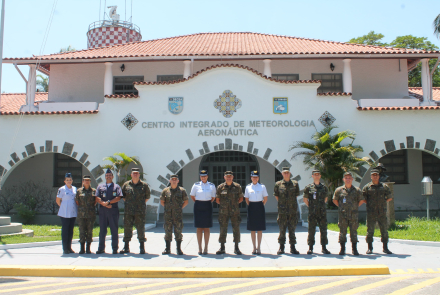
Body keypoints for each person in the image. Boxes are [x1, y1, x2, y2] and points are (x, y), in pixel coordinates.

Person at [333, 172, 365, 256]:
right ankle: (342, 249)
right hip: (343, 215)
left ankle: (354, 249)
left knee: (353, 232)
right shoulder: (339, 190)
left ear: (352, 179)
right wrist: (341, 207)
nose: (348, 179)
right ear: (343, 179)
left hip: (353, 215)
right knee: (342, 232)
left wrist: (355, 207)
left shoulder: (357, 190)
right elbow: (334, 200)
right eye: (346, 178)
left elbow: (361, 200)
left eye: (349, 178)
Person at [120, 168, 151, 254]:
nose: (135, 175)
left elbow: (147, 197)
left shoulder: (144, 185)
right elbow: (123, 196)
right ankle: (126, 247)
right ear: (131, 174)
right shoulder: (126, 185)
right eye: (134, 173)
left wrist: (140, 204)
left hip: (140, 211)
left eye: (137, 173)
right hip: (128, 211)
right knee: (127, 228)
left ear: (139, 175)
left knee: (140, 228)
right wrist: (130, 204)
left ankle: (142, 247)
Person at [362, 168, 393, 255]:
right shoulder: (367, 187)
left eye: (376, 175)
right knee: (370, 230)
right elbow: (363, 198)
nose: (375, 177)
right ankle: (370, 248)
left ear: (379, 176)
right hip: (371, 212)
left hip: (382, 212)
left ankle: (385, 248)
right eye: (373, 175)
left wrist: (382, 203)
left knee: (384, 230)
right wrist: (370, 203)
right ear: (371, 176)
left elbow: (389, 197)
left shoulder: (384, 187)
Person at [216, 171, 244, 255]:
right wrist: (225, 206)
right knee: (223, 229)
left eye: (230, 176)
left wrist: (234, 205)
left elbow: (241, 198)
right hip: (223, 212)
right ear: (224, 177)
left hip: (235, 212)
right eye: (227, 176)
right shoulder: (220, 187)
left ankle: (236, 247)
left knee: (236, 229)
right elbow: (217, 200)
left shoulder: (237, 186)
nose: (228, 178)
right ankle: (222, 247)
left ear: (232, 177)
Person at [95, 168, 123, 254]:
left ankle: (115, 249)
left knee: (114, 230)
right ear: (105, 177)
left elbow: (118, 197)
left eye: (110, 175)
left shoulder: (116, 187)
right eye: (107, 175)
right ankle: (101, 248)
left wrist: (109, 202)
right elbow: (97, 197)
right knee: (102, 231)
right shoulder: (100, 186)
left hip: (113, 211)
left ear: (112, 176)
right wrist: (103, 203)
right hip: (103, 211)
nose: (108, 177)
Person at [303, 170, 330, 255]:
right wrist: (311, 207)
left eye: (318, 175)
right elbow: (305, 199)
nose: (317, 176)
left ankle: (324, 247)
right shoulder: (308, 187)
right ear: (312, 176)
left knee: (323, 230)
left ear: (320, 176)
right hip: (312, 213)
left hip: (322, 213)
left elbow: (326, 199)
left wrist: (320, 206)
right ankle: (310, 248)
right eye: (315, 175)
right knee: (311, 230)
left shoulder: (324, 187)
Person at [160, 174, 189, 255]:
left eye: (175, 179)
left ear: (178, 181)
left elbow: (186, 201)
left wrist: (179, 208)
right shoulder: (165, 191)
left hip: (178, 215)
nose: (174, 181)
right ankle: (167, 249)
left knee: (178, 232)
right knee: (167, 232)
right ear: (170, 181)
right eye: (172, 179)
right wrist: (168, 208)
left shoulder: (182, 190)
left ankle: (178, 249)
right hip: (168, 215)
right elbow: (162, 201)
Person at [274, 167, 300, 255]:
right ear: (282, 174)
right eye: (284, 173)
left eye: (287, 173)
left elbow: (296, 195)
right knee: (282, 229)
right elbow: (276, 195)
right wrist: (283, 204)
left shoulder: (295, 184)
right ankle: (281, 248)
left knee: (292, 229)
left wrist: (290, 204)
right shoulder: (278, 184)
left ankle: (293, 247)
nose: (286, 174)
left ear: (290, 174)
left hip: (292, 211)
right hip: (282, 211)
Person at [190, 169, 215, 255]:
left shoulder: (211, 185)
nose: (203, 177)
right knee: (199, 227)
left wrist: (206, 202)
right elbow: (192, 196)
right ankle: (200, 247)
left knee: (206, 228)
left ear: (207, 176)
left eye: (204, 176)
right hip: (198, 206)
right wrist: (199, 202)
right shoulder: (196, 185)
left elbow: (213, 198)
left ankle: (206, 247)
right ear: (200, 177)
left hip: (207, 206)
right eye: (201, 176)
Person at [245, 170, 268, 255]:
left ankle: (259, 247)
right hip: (251, 207)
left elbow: (265, 198)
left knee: (259, 228)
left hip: (260, 207)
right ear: (251, 178)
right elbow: (246, 199)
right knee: (252, 229)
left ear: (258, 178)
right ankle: (254, 247)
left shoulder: (262, 187)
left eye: (256, 177)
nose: (255, 179)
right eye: (253, 177)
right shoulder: (248, 187)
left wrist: (261, 205)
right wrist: (251, 206)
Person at [75, 175, 97, 254]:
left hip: (91, 215)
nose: (87, 181)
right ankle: (82, 248)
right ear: (83, 181)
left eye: (88, 180)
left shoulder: (94, 191)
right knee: (82, 231)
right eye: (85, 180)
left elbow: (95, 202)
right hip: (81, 215)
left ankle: (88, 248)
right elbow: (77, 202)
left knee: (89, 231)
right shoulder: (79, 191)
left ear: (90, 181)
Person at [56, 172, 78, 254]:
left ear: (72, 180)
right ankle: (65, 248)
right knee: (65, 231)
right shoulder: (61, 189)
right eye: (67, 180)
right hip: (64, 213)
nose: (69, 181)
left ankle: (69, 247)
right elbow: (58, 200)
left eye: (70, 180)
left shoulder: (74, 189)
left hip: (72, 213)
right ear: (64, 181)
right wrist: (63, 207)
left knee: (70, 231)